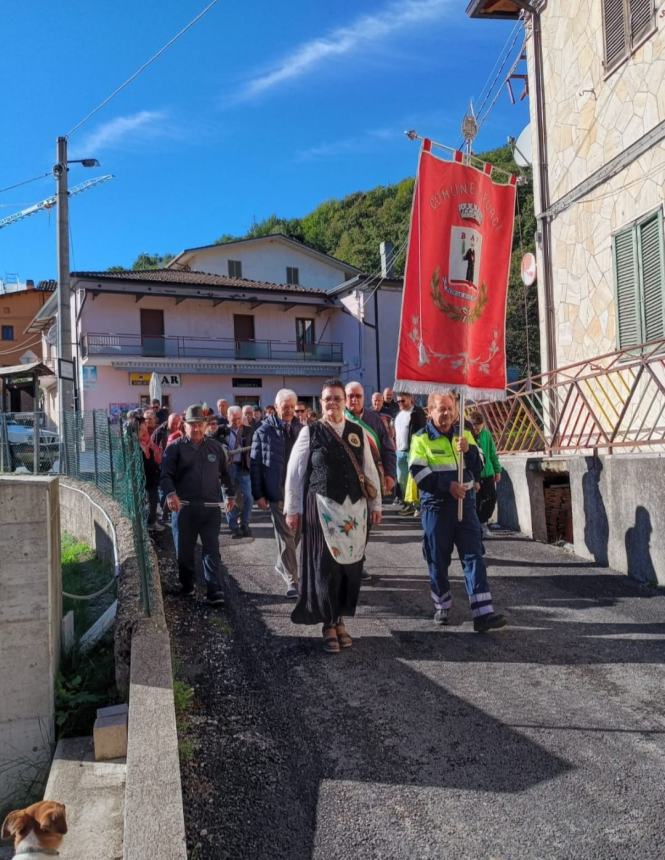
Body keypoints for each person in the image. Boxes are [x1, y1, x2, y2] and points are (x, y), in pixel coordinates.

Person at [284, 378, 382, 653]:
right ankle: (328, 623)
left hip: (353, 512)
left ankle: (340, 619)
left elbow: (369, 470)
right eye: (327, 399)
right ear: (321, 401)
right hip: (323, 510)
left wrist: (376, 506)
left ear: (345, 401)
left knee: (349, 569)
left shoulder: (356, 431)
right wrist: (293, 509)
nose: (333, 403)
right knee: (325, 568)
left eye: (337, 398)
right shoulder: (310, 432)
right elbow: (295, 473)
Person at [409, 393, 506, 632]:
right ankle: (442, 604)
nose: (447, 415)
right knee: (437, 559)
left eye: (450, 409)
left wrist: (470, 451)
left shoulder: (465, 434)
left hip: (466, 504)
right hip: (437, 508)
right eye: (441, 410)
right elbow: (418, 473)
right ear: (429, 411)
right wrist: (446, 486)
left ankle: (483, 613)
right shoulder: (420, 439)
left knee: (474, 555)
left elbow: (480, 465)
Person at [160, 404, 236, 605]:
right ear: (184, 426)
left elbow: (226, 476)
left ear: (205, 425)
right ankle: (187, 585)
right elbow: (165, 476)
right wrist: (170, 494)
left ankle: (214, 590)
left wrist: (229, 495)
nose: (196, 429)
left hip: (210, 510)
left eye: (199, 425)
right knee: (184, 553)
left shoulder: (215, 448)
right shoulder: (174, 448)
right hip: (184, 509)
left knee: (211, 549)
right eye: (192, 425)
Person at [250, 388, 302, 598]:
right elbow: (255, 465)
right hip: (276, 492)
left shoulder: (301, 429)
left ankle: (282, 564)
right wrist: (258, 494)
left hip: (298, 492)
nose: (288, 410)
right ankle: (292, 580)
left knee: (296, 534)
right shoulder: (263, 431)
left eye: (292, 407)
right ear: (276, 406)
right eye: (284, 407)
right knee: (286, 536)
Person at [344, 381, 396, 495]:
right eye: (350, 396)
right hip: (346, 479)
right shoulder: (339, 419)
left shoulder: (375, 419)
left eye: (358, 396)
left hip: (372, 477)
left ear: (363, 398)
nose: (354, 399)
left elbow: (388, 449)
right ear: (344, 398)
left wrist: (390, 474)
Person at [469, 410, 502, 539]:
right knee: (476, 502)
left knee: (491, 498)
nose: (476, 427)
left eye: (479, 424)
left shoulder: (486, 435)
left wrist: (497, 470)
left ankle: (482, 522)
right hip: (473, 475)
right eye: (474, 424)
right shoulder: (467, 435)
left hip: (487, 473)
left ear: (483, 424)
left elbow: (493, 454)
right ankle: (476, 526)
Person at [224, 406, 254, 538]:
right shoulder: (221, 429)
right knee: (229, 497)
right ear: (227, 417)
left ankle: (245, 524)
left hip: (243, 468)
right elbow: (212, 440)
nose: (236, 421)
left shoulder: (249, 430)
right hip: (227, 469)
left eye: (238, 418)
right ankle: (234, 527)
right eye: (233, 419)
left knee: (248, 497)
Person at [394, 392, 426, 514]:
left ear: (411, 399)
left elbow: (422, 431)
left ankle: (417, 505)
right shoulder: (399, 415)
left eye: (403, 401)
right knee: (402, 479)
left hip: (411, 451)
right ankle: (408, 503)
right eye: (398, 401)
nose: (400, 403)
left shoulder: (417, 412)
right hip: (400, 451)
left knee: (414, 480)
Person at [136, 418, 164, 532]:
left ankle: (152, 522)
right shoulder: (134, 446)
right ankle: (144, 525)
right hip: (141, 480)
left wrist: (155, 450)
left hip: (152, 478)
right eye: (141, 430)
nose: (145, 432)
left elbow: (158, 460)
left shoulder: (149, 442)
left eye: (145, 429)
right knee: (143, 503)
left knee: (153, 502)